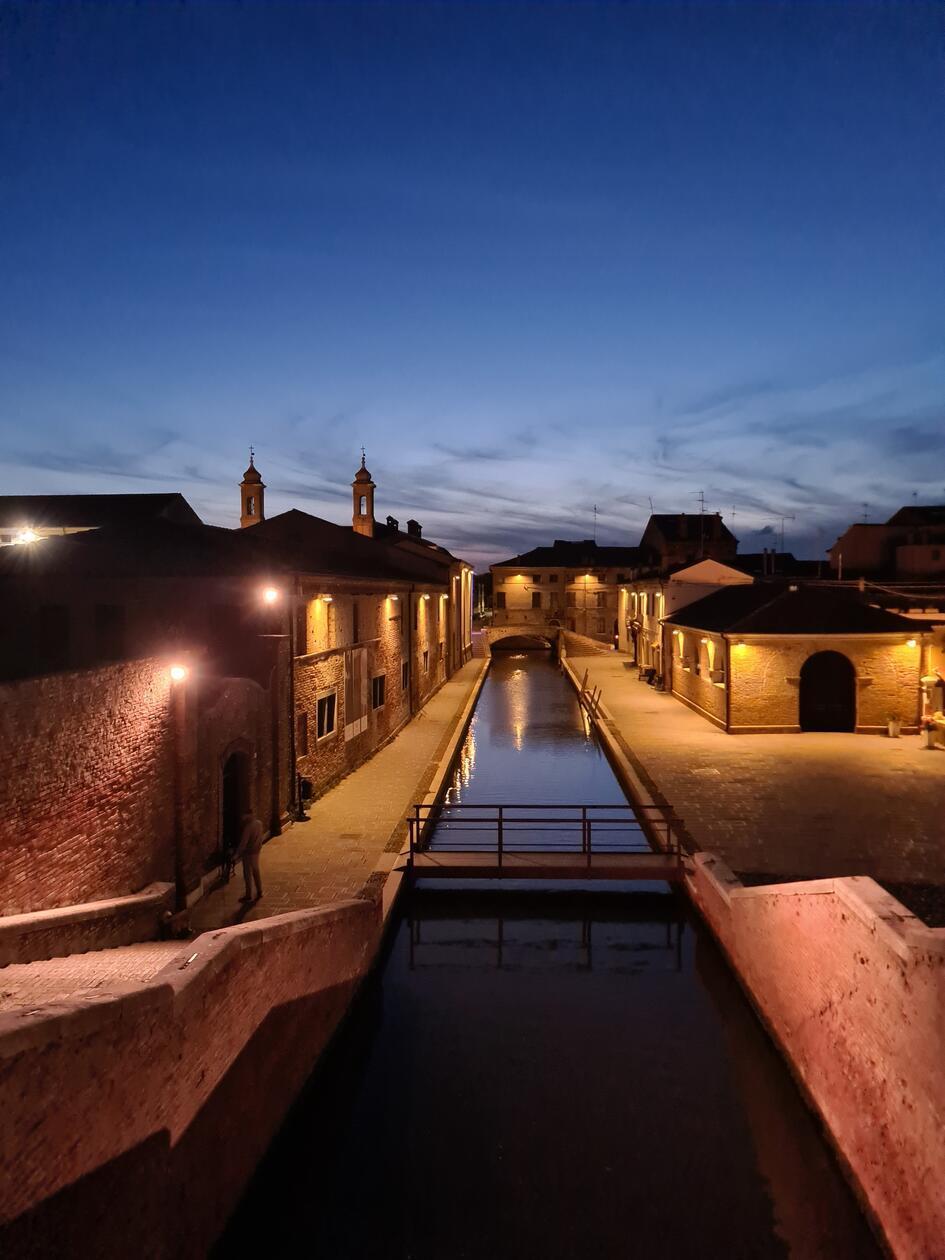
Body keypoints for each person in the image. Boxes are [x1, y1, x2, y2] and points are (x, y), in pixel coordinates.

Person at [237, 811, 265, 902]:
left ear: (247, 815)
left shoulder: (248, 827)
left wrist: (237, 854)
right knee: (256, 871)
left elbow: (243, 843)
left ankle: (248, 895)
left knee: (247, 873)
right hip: (256, 852)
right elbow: (261, 838)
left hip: (248, 853)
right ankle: (259, 891)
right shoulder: (259, 824)